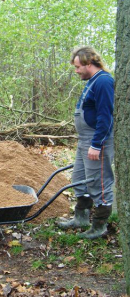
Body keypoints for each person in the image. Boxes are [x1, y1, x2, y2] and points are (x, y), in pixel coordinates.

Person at [57, 46, 115, 239]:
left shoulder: (104, 81)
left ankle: (99, 227)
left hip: (96, 140)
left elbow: (105, 116)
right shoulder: (92, 81)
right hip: (84, 140)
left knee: (99, 183)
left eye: (78, 67)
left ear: (89, 64)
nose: (76, 71)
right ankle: (81, 218)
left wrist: (97, 144)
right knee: (79, 180)